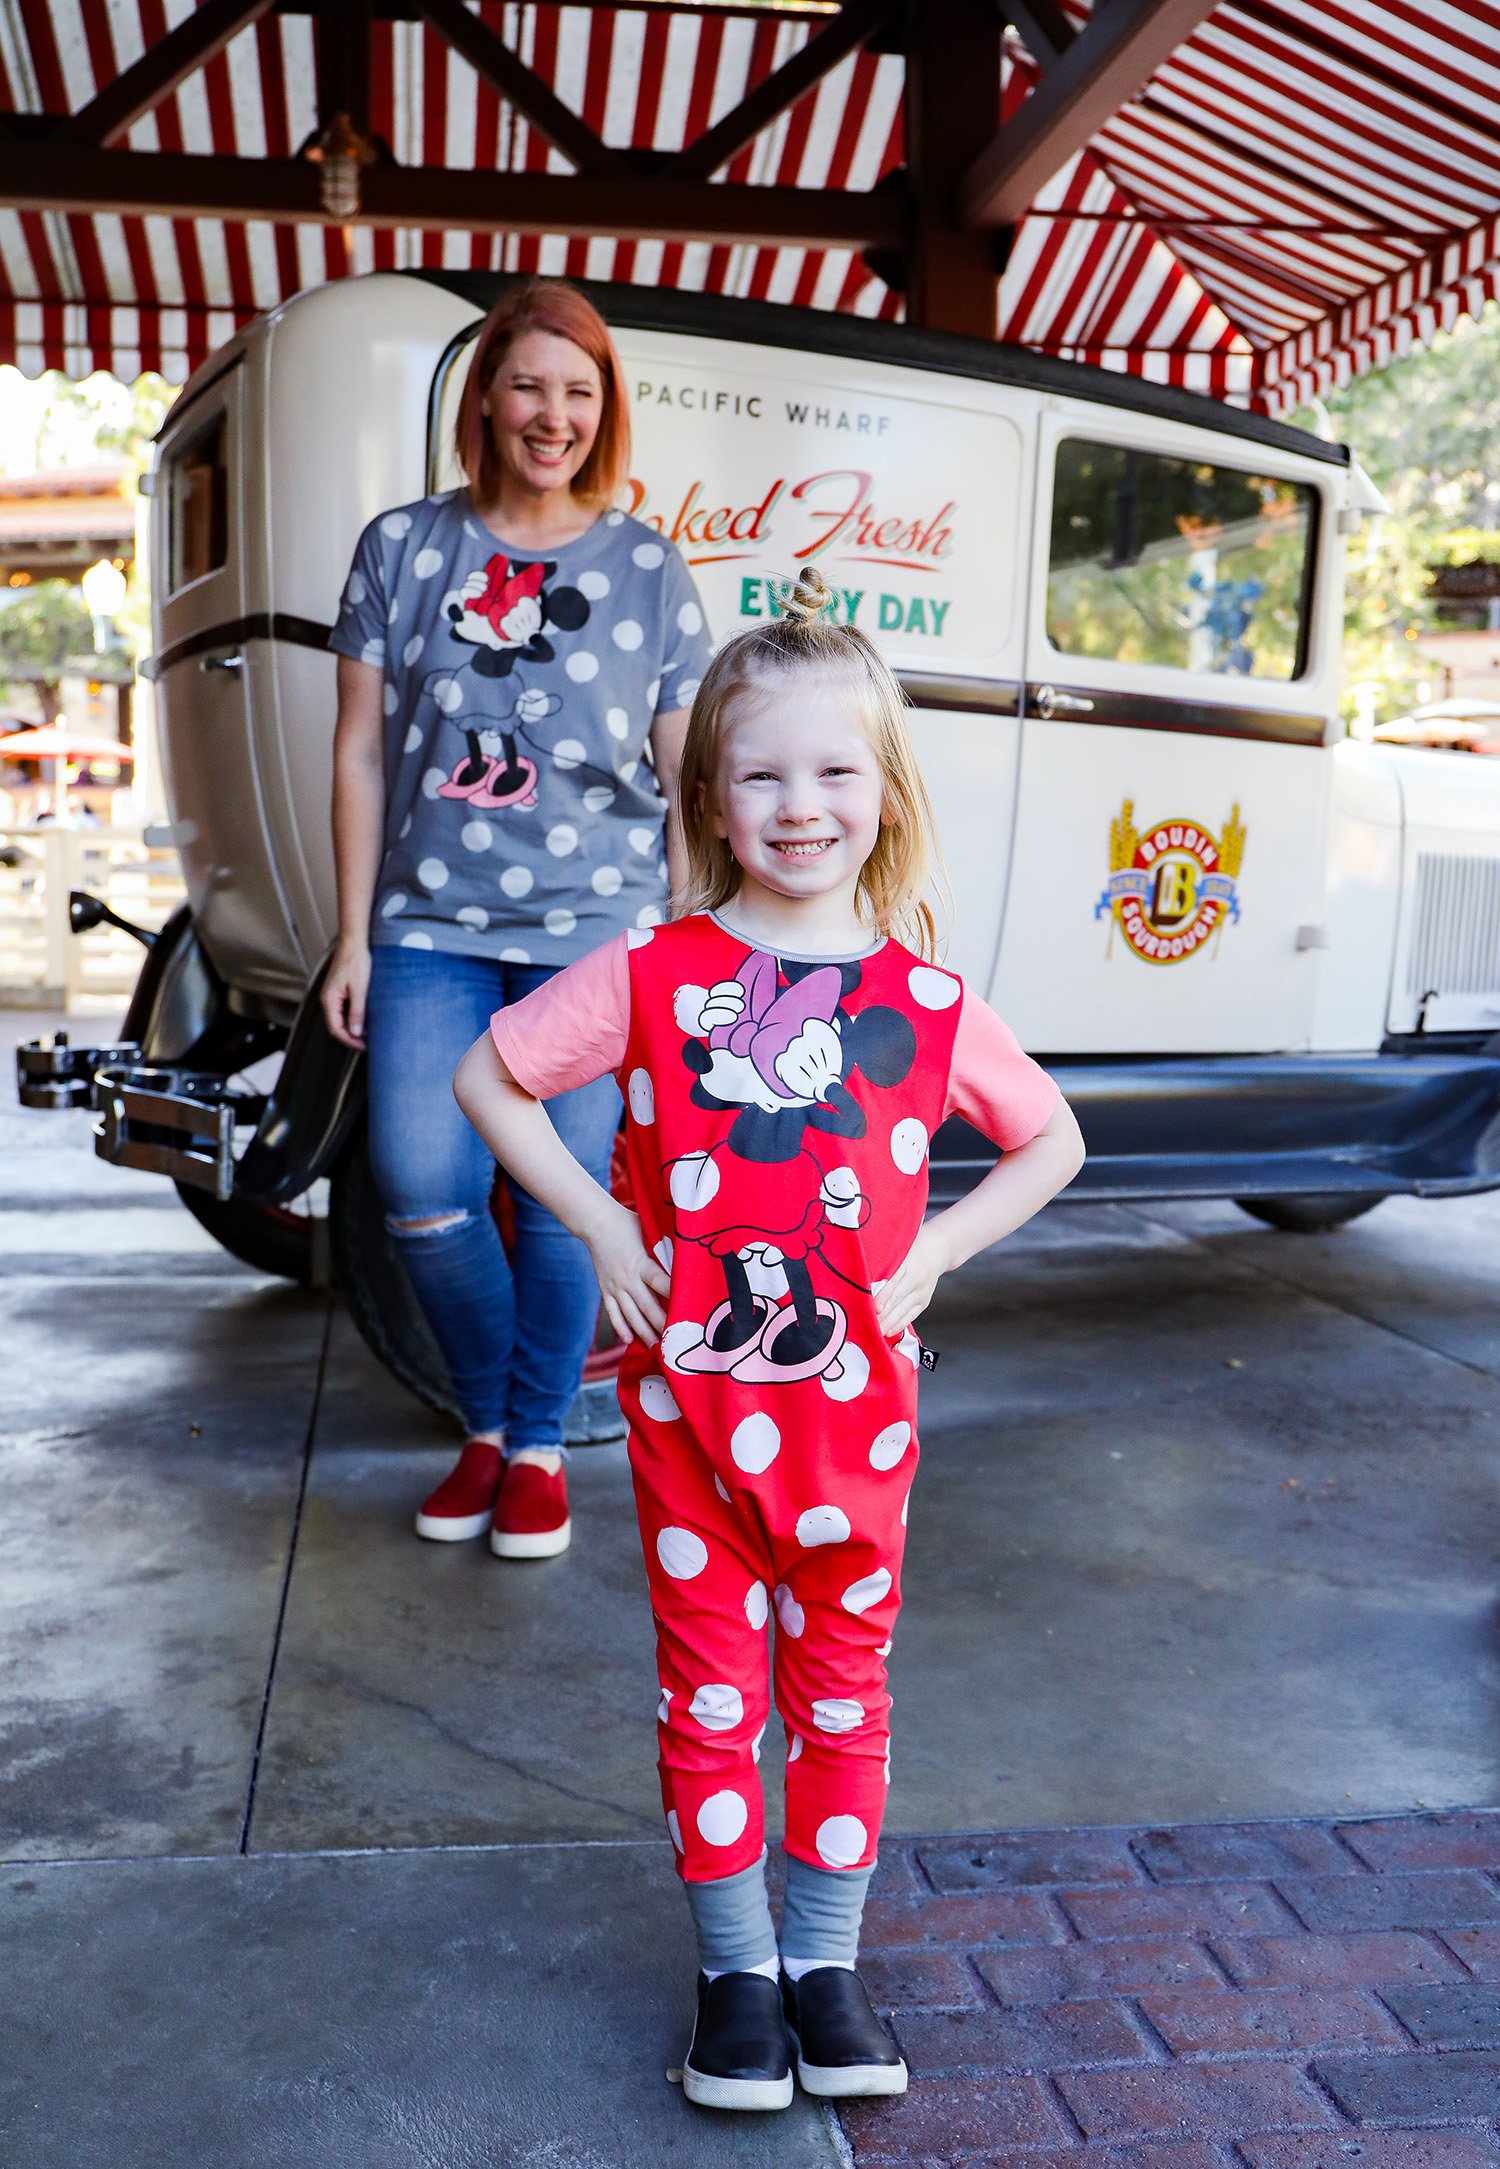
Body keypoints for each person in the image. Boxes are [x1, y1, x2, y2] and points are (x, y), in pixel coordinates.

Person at [453, 567, 1085, 2109]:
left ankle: (825, 1962)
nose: (800, 806)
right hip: (689, 1433)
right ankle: (734, 1974)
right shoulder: (656, 975)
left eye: (834, 770)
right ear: (710, 796)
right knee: (714, 1695)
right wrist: (601, 1228)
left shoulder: (923, 1002)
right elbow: (490, 1076)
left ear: (885, 789)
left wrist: (931, 1249)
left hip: (855, 1437)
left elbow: (1050, 1138)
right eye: (760, 773)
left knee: (846, 1694)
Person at [324, 277, 711, 1560]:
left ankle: (530, 1445)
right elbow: (360, 756)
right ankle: (494, 1418)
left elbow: (681, 781)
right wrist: (347, 936)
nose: (553, 414)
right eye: (531, 385)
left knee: (558, 1204)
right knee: (424, 1190)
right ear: (484, 396)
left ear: (606, 415)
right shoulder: (401, 548)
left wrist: (690, 948)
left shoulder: (650, 568)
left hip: (598, 937)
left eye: (580, 391)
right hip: (428, 929)